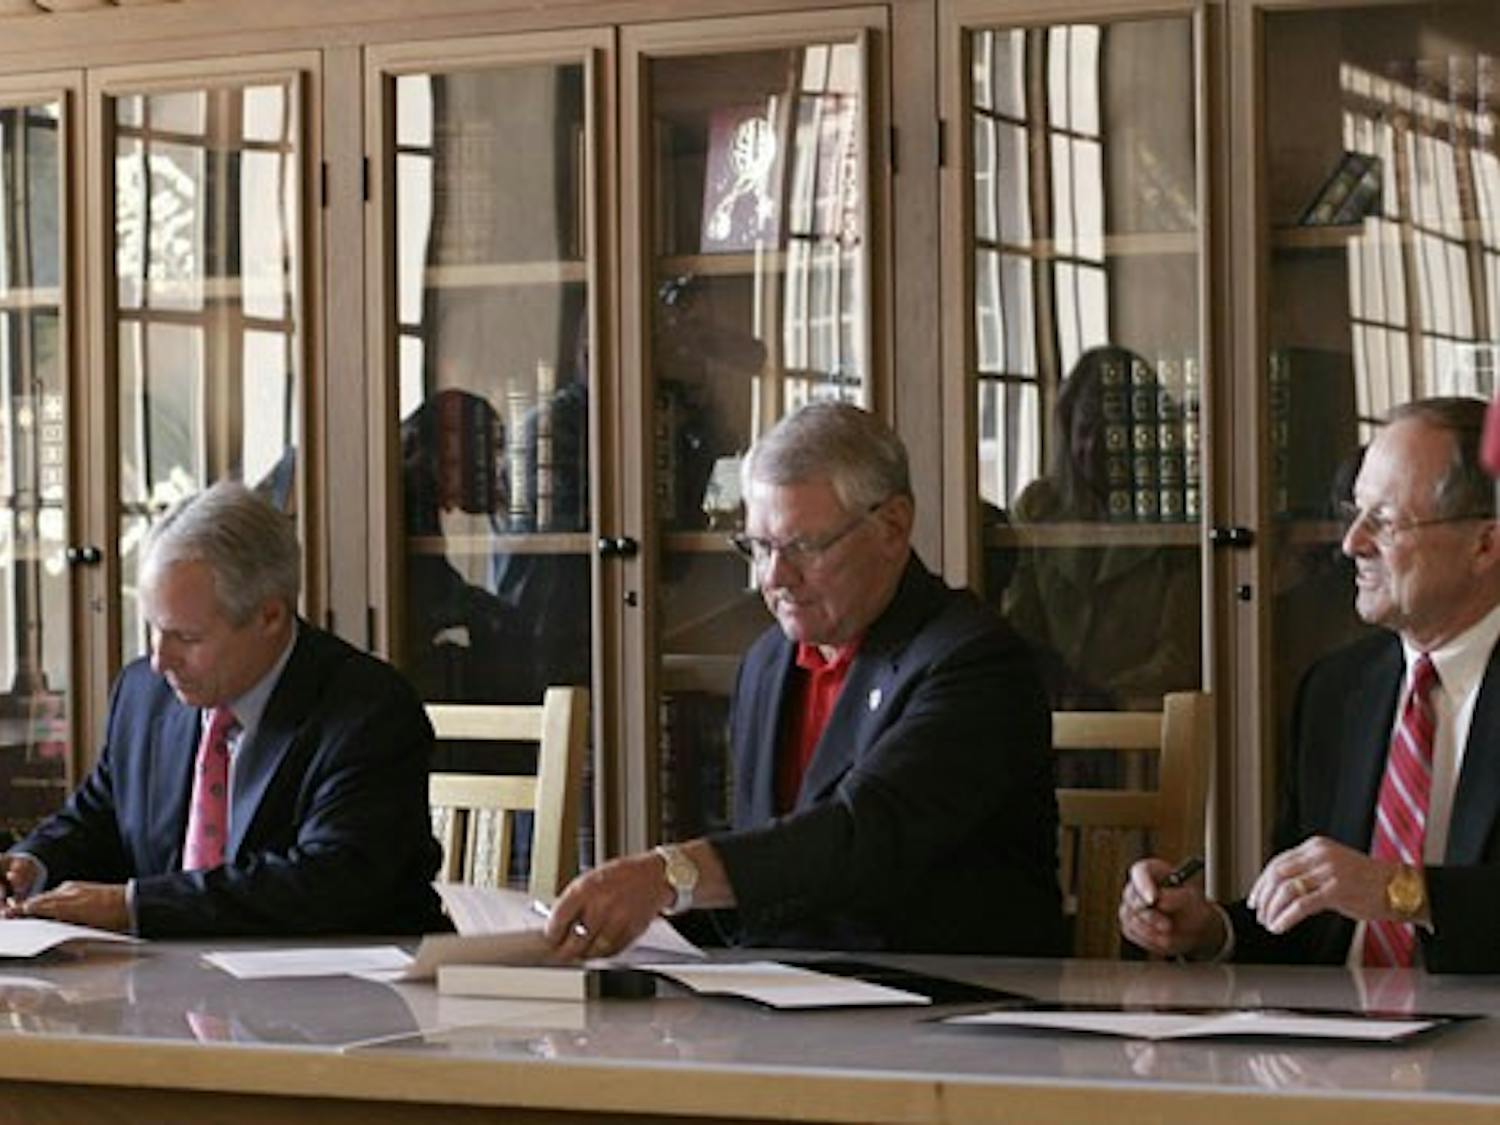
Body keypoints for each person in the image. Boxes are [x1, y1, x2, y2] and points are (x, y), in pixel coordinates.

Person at [542, 401, 1064, 958]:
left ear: (892, 526)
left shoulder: (975, 662)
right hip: (782, 1000)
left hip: (946, 1004)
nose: (774, 577)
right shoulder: (768, 662)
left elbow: (859, 835)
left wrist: (669, 874)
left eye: (803, 547)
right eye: (760, 547)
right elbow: (760, 875)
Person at [1120, 397, 1500, 973]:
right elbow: (1313, 926)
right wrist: (1209, 930)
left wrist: (1402, 891)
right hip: (1332, 1046)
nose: (1352, 543)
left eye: (1386, 521)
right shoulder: (1338, 691)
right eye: (1355, 511)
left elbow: (1372, 889)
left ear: (1485, 545)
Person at [1, 481, 446, 937]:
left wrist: (134, 906)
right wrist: (33, 864)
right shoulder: (143, 693)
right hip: (171, 988)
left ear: (269, 617)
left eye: (187, 638)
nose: (160, 659)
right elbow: (102, 817)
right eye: (153, 628)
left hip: (347, 989)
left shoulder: (369, 711)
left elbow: (328, 881)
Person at [1003, 345, 1200, 709]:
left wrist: (1104, 700)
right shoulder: (1038, 507)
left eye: (1113, 433)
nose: (1093, 448)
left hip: (1148, 727)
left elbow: (1181, 656)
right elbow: (1016, 628)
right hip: (1047, 721)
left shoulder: (1180, 516)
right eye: (1084, 431)